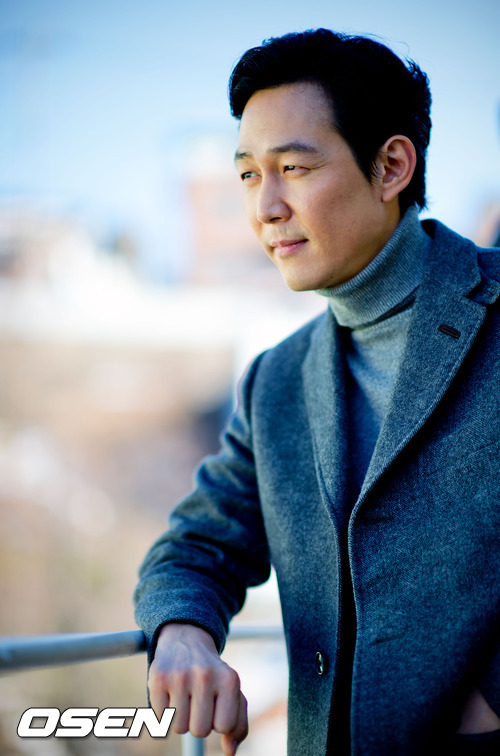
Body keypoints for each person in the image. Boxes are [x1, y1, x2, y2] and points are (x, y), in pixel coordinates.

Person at [134, 29, 500, 755]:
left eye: (293, 168)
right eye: (248, 175)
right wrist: (182, 633)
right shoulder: (276, 379)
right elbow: (198, 544)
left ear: (392, 166)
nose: (265, 207)